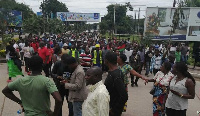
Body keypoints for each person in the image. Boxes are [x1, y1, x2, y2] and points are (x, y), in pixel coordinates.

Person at [104, 51, 128, 116]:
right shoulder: (112, 72)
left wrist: (114, 110)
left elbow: (124, 95)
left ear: (106, 61)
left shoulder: (116, 75)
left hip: (113, 110)